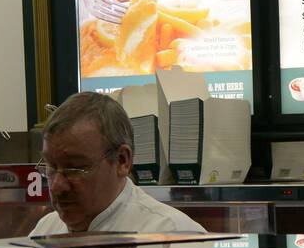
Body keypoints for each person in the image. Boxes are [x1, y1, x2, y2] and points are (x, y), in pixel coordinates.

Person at [28, 91, 203, 235]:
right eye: (50, 167)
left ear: (122, 161)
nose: (57, 186)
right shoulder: (44, 231)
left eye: (75, 168)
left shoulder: (171, 235)